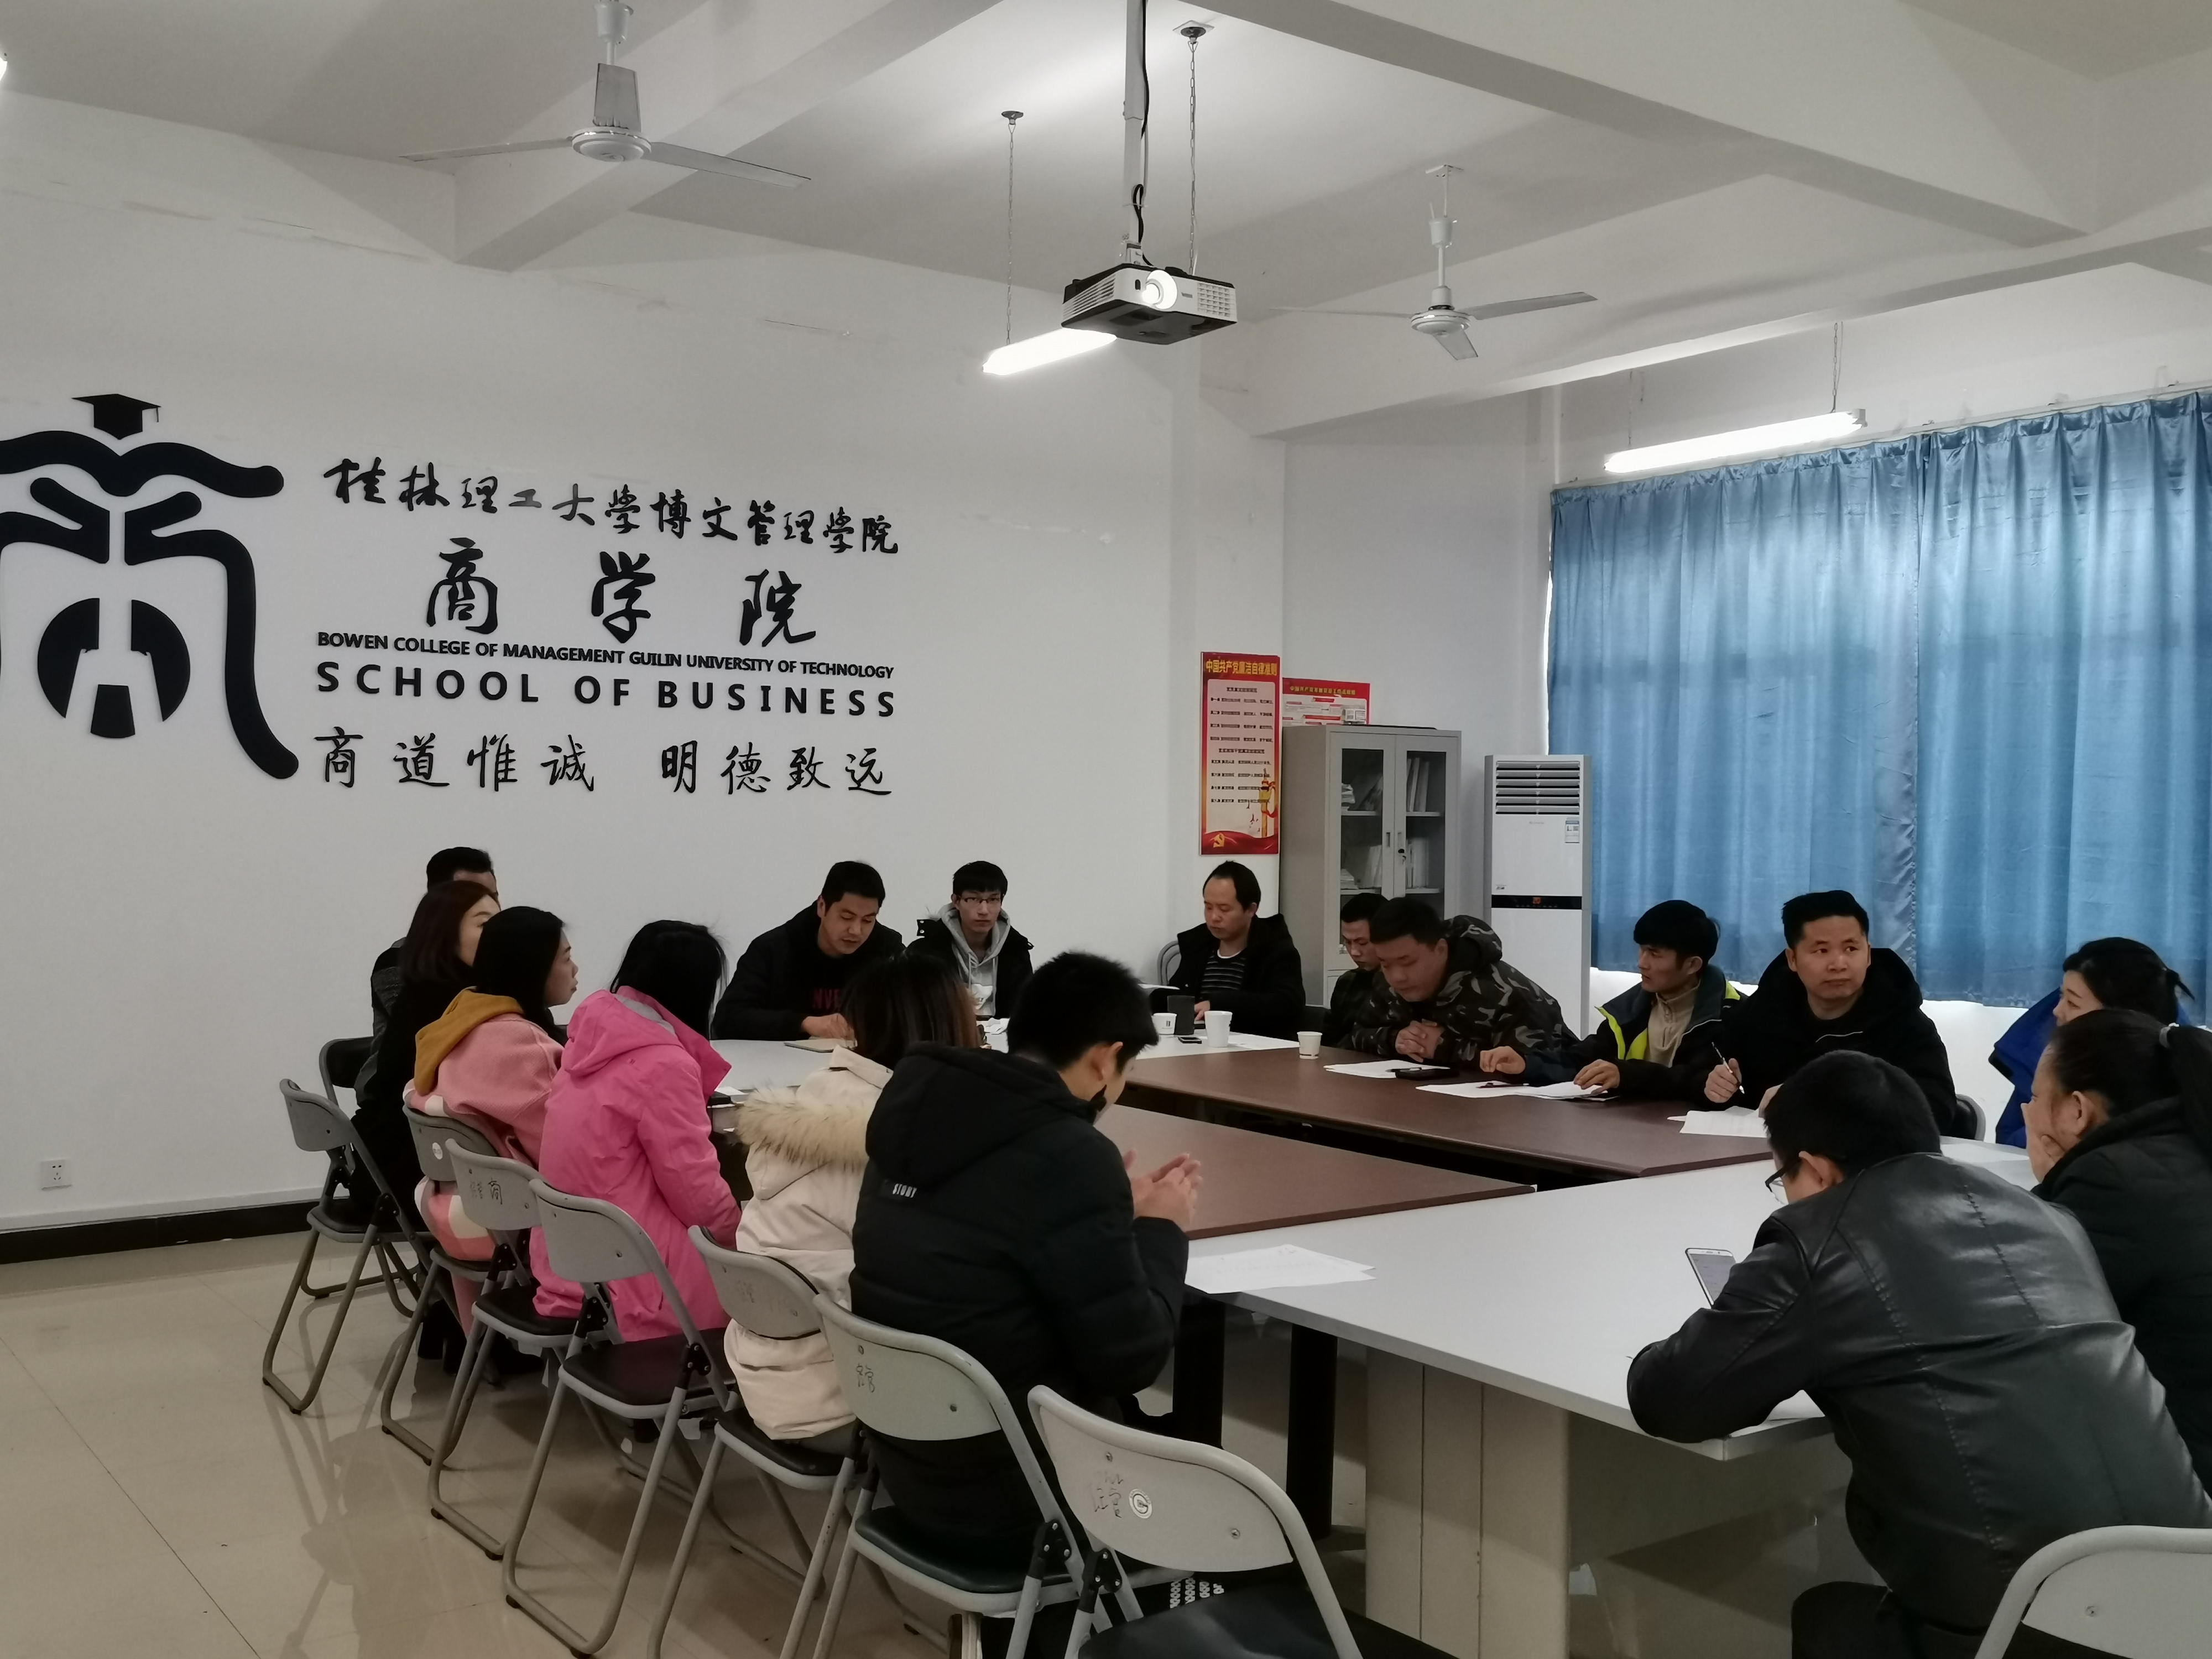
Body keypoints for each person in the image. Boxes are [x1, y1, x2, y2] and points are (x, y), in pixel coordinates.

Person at [1629, 1051, 2211, 1659]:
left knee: (1824, 1617)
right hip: (2186, 1605)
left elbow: (1671, 1399)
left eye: (1784, 1181)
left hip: (2019, 1627)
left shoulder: (1820, 1240)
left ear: (1816, 1171)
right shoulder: (2051, 1219)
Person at [851, 951, 1202, 1565]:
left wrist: (1105, 1210)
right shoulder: (1067, 1153)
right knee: (1232, 1499)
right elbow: (1133, 1358)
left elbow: (990, 1237)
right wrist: (1162, 1227)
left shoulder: (918, 1119)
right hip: (1031, 1497)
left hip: (911, 1470)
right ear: (1105, 1058)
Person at [724, 953, 983, 1442]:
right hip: (844, 1397)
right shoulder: (897, 1136)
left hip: (770, 1375)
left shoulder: (821, 1093)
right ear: (945, 1023)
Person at [2027, 1010, 2212, 1484]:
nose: (2029, 1111)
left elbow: (2024, 1309)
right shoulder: (2192, 1146)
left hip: (2184, 1478)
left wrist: (2049, 1185)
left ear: (2076, 1111)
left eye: (2036, 1097)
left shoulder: (2110, 1180)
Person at [534, 922, 739, 1339]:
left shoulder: (589, 1036)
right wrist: (746, 1237)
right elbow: (697, 1195)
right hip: (636, 1275)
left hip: (568, 1257)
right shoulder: (664, 1064)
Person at [406, 906, 575, 1340]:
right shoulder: (520, 1044)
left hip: (454, 1210)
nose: (575, 969)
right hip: (505, 1220)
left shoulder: (458, 1021)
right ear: (535, 968)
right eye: (566, 957)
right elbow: (562, 1152)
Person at [1705, 890, 1969, 1136]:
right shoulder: (1763, 1011)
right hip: (1765, 1157)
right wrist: (1713, 1084)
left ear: (1868, 955)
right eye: (1822, 951)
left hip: (1866, 1161)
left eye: (1851, 949)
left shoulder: (1904, 1021)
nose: (1838, 964)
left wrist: (1821, 1101)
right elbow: (1711, 1062)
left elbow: (1935, 1109)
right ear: (1793, 959)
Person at [354, 878, 500, 1219]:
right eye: (484, 924)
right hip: (422, 1180)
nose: (499, 935)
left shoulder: (427, 989)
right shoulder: (455, 1004)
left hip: (394, 1171)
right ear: (445, 934)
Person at [1991, 937, 2191, 1147]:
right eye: (2061, 997)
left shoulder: (2169, 1097)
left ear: (2121, 1018)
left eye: (2072, 1003)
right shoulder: (2047, 1060)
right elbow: (2007, 1140)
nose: (2057, 1011)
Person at [1342, 899, 1573, 1072]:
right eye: (1385, 964)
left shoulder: (1508, 995)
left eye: (1407, 962)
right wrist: (1395, 1040)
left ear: (1440, 949)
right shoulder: (1388, 983)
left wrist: (1444, 1047)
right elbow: (1357, 1035)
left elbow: (1537, 1070)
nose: (1397, 977)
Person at [356, 847, 495, 1110]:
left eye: (493, 897)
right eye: (470, 896)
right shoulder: (399, 964)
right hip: (401, 1100)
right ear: (440, 904)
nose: (488, 906)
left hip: (461, 1091)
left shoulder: (491, 960)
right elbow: (437, 1037)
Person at [1553, 900, 1736, 1100]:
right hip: (1630, 1118)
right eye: (1642, 950)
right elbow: (1582, 1059)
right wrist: (1531, 1066)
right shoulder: (1630, 1008)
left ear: (1692, 965)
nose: (1641, 963)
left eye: (1654, 954)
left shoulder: (1732, 1015)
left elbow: (1697, 1079)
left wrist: (1628, 1075)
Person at [711, 861, 904, 1041]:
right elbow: (727, 1019)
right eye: (846, 917)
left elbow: (915, 1015)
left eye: (868, 920)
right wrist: (804, 1023)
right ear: (822, 906)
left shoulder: (888, 952)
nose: (856, 930)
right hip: (782, 1063)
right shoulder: (773, 950)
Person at [1165, 860, 1306, 1040]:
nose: (1214, 917)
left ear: (1251, 910)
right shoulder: (1197, 947)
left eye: (1224, 909)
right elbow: (1178, 995)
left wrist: (1219, 1005)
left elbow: (1287, 1005)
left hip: (1254, 1049)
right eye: (1208, 907)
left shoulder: (1275, 950)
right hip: (1196, 1047)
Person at [910, 859, 1034, 1020]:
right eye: (974, 899)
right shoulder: (925, 953)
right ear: (956, 901)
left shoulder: (1016, 952)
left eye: (993, 899)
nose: (984, 910)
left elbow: (1026, 1014)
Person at [1319, 891, 1384, 1047]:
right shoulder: (1347, 983)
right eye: (1348, 942)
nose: (1354, 952)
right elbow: (1329, 1039)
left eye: (1362, 943)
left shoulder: (1404, 986)